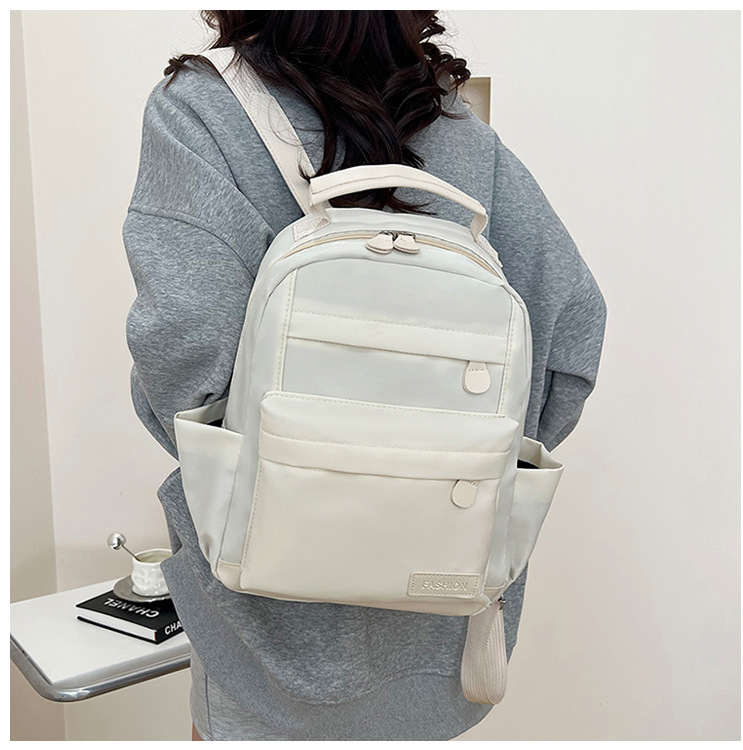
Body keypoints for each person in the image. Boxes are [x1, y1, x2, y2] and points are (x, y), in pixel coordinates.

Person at [123, 10, 606, 742]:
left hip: (266, 637)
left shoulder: (203, 109)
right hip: (441, 621)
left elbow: (182, 349)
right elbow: (571, 335)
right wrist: (460, 460)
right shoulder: (451, 121)